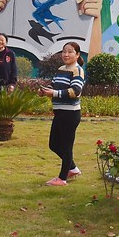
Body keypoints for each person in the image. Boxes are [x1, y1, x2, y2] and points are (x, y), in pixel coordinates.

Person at [39, 41, 84, 186]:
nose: (66, 54)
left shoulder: (78, 70)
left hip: (70, 114)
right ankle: (73, 168)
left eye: (70, 51)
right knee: (54, 144)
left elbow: (75, 92)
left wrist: (54, 93)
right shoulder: (61, 69)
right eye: (64, 51)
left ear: (77, 55)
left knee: (66, 146)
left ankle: (62, 178)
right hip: (59, 113)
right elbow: (54, 85)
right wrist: (46, 90)